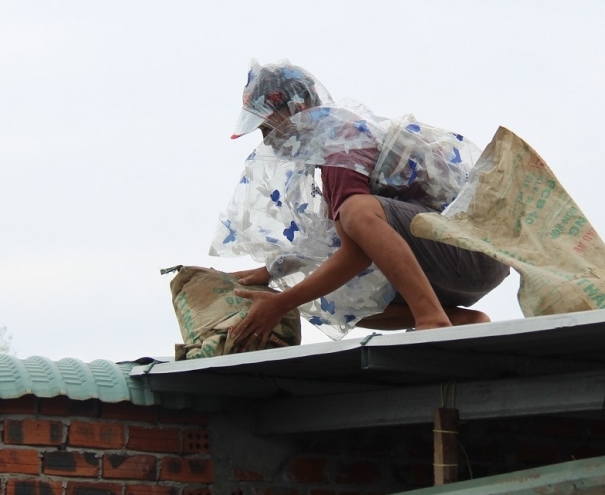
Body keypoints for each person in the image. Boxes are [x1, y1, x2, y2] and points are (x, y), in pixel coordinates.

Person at [214, 61, 508, 352]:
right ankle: (458, 320)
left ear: (298, 108)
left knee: (356, 213)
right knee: (335, 297)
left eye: (267, 127)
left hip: (473, 253)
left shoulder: (341, 144)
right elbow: (332, 244)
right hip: (456, 265)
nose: (268, 140)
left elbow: (355, 254)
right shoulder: (331, 153)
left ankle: (431, 318)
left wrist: (283, 302)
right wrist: (274, 270)